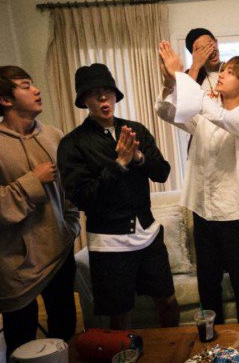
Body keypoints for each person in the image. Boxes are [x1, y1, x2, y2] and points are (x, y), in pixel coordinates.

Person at [57, 63, 178, 330]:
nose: (103, 97)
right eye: (94, 93)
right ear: (84, 100)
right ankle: (125, 352)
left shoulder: (136, 130)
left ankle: (174, 348)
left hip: (148, 233)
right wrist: (119, 164)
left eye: (108, 91)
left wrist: (138, 157)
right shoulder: (72, 143)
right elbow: (82, 197)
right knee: (120, 315)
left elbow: (162, 172)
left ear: (115, 94)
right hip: (108, 242)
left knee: (168, 302)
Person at [156, 41, 239, 324]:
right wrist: (171, 83)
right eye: (223, 70)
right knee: (208, 284)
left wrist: (183, 76)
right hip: (203, 211)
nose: (221, 74)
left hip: (237, 215)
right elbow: (167, 112)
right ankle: (210, 341)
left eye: (229, 72)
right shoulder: (205, 110)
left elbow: (221, 117)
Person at [0, 66, 79, 358]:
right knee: (21, 342)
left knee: (65, 331)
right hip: (14, 265)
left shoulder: (53, 135)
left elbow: (68, 190)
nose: (36, 90)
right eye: (25, 85)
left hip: (59, 253)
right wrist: (33, 181)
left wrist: (70, 227)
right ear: (5, 100)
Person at [184, 28, 239, 252]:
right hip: (207, 154)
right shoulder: (193, 77)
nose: (209, 50)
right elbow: (180, 108)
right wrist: (194, 68)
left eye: (210, 43)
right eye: (200, 48)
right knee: (209, 231)